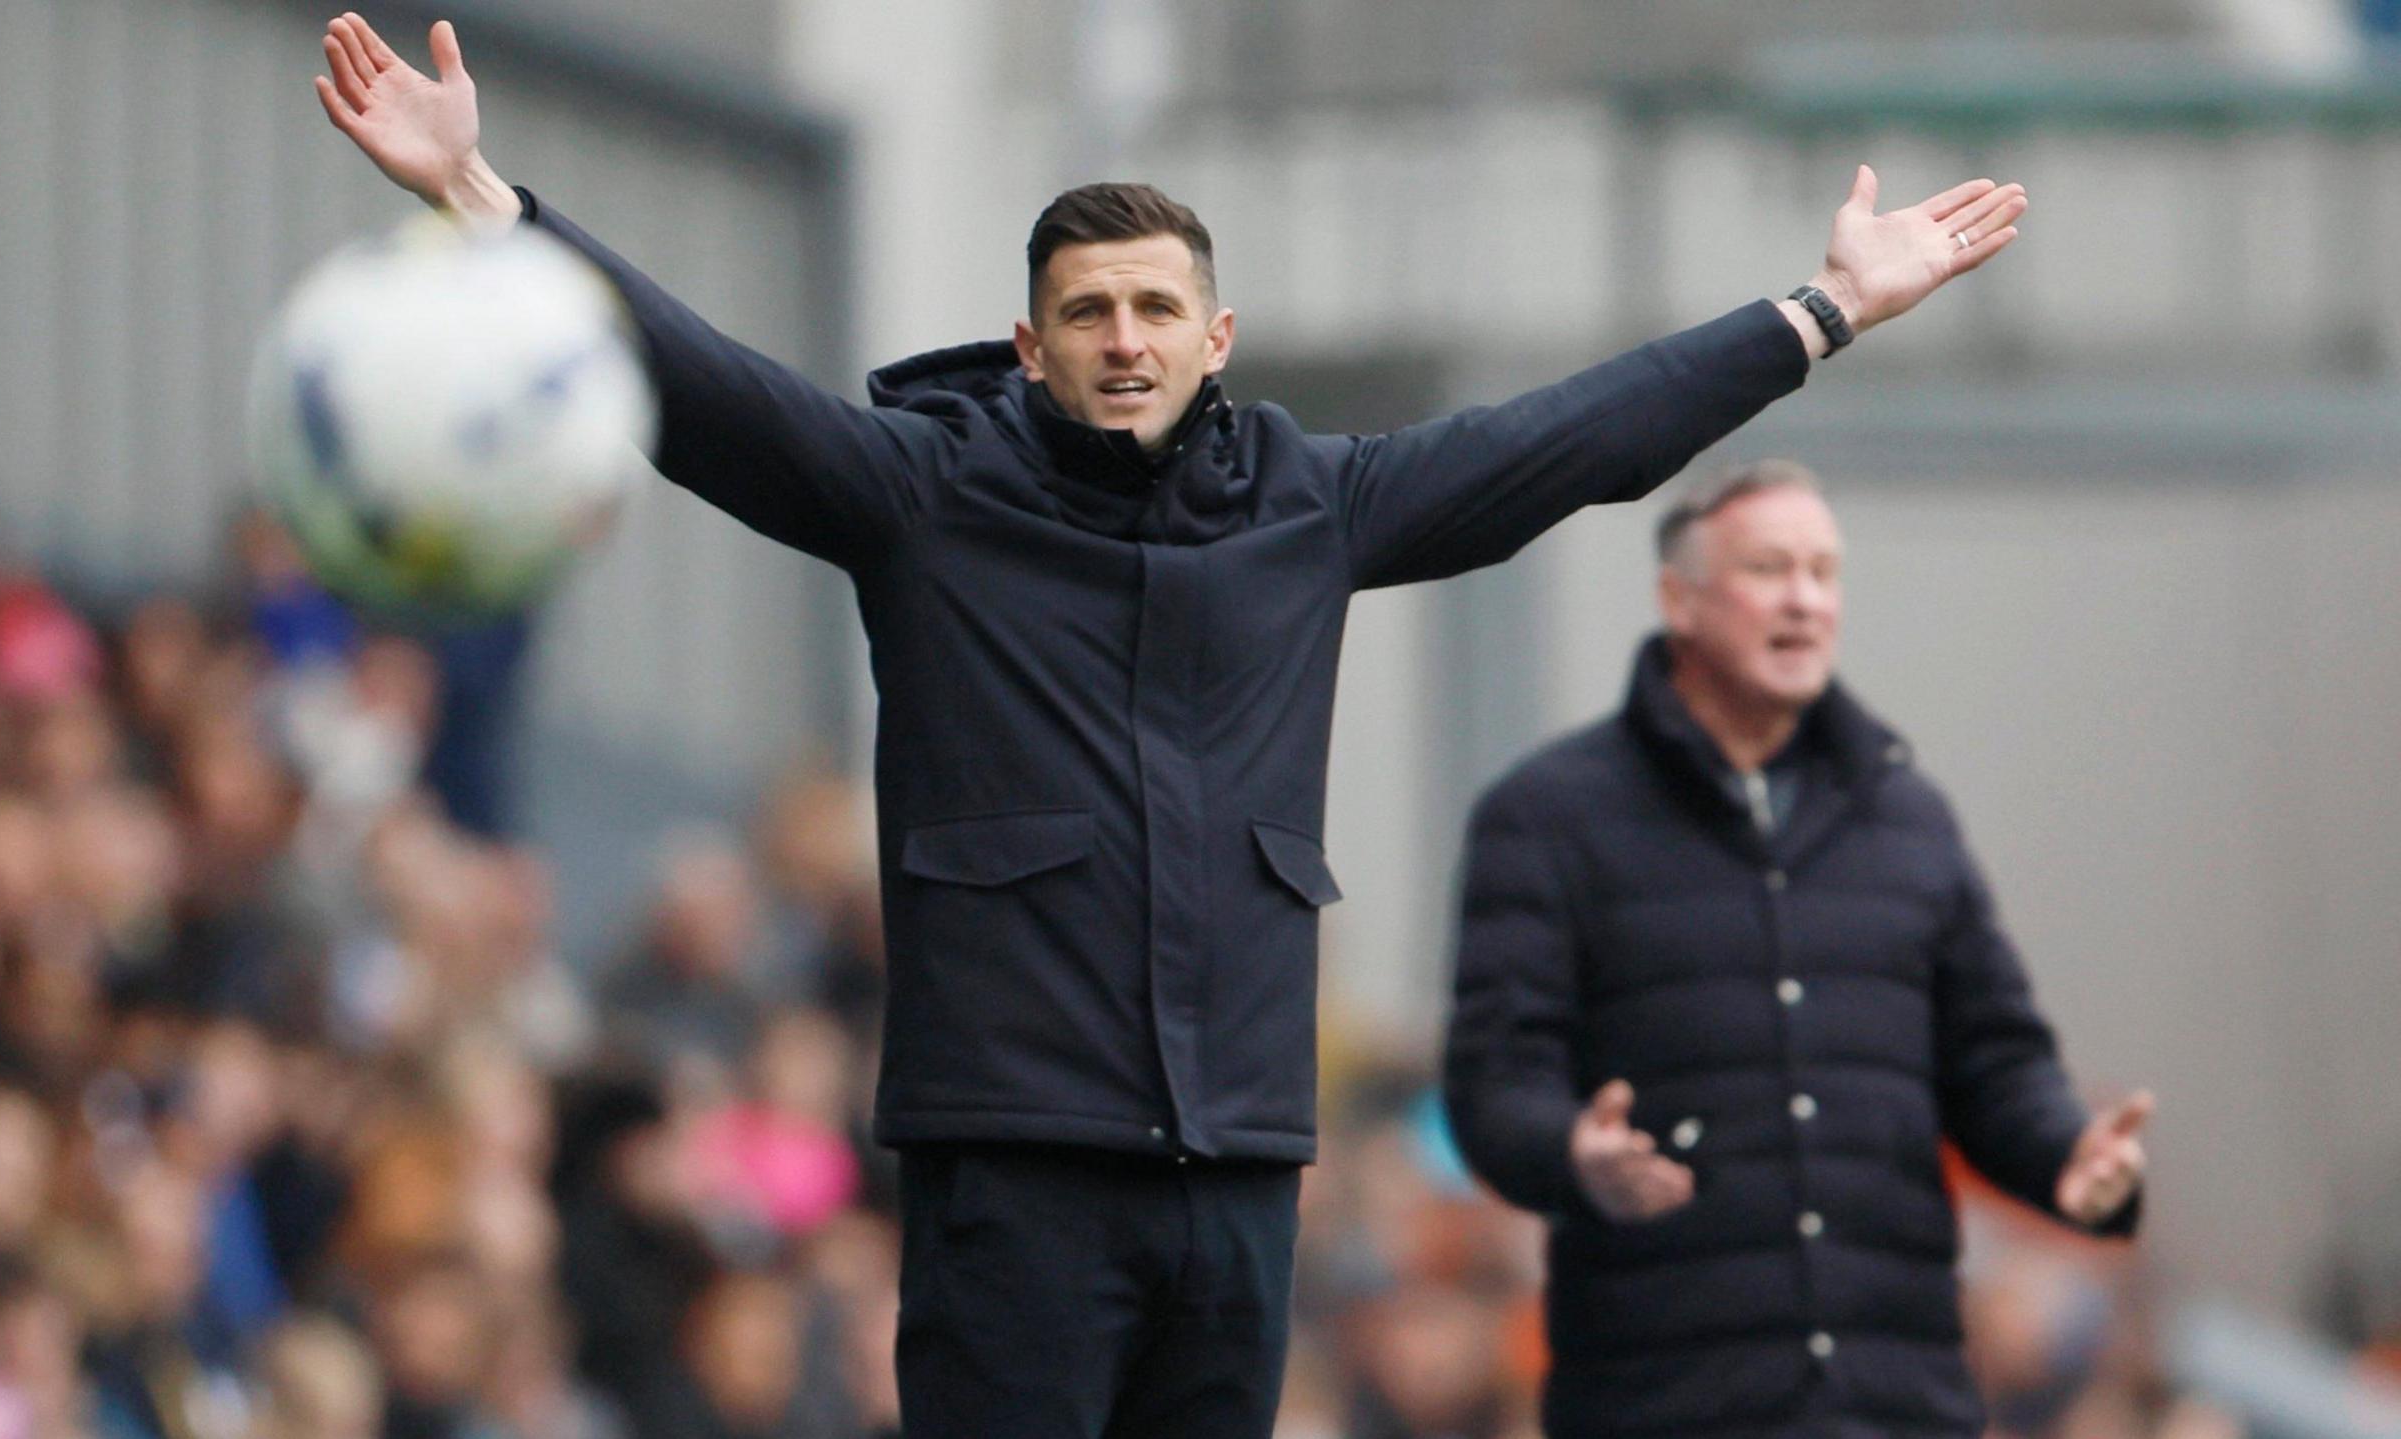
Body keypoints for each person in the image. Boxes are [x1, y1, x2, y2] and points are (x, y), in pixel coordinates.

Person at [310, 15, 2028, 1436]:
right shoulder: (924, 496)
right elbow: (699, 386)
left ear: (1216, 339)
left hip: (1239, 1171)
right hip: (1015, 1174)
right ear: (1029, 344)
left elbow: (1567, 442)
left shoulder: (1315, 504)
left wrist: (1817, 315)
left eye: (1153, 310)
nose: (1122, 340)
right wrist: (476, 191)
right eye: (1086, 312)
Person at [1444, 462, 2153, 1439]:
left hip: (1894, 1400)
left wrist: (2065, 1149)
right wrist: (1573, 1152)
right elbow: (1493, 1082)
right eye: (1768, 568)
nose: (1805, 599)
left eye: (1824, 571)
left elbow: (1996, 1059)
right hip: (1666, 1402)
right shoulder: (1546, 818)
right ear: (1679, 600)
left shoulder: (1906, 817)